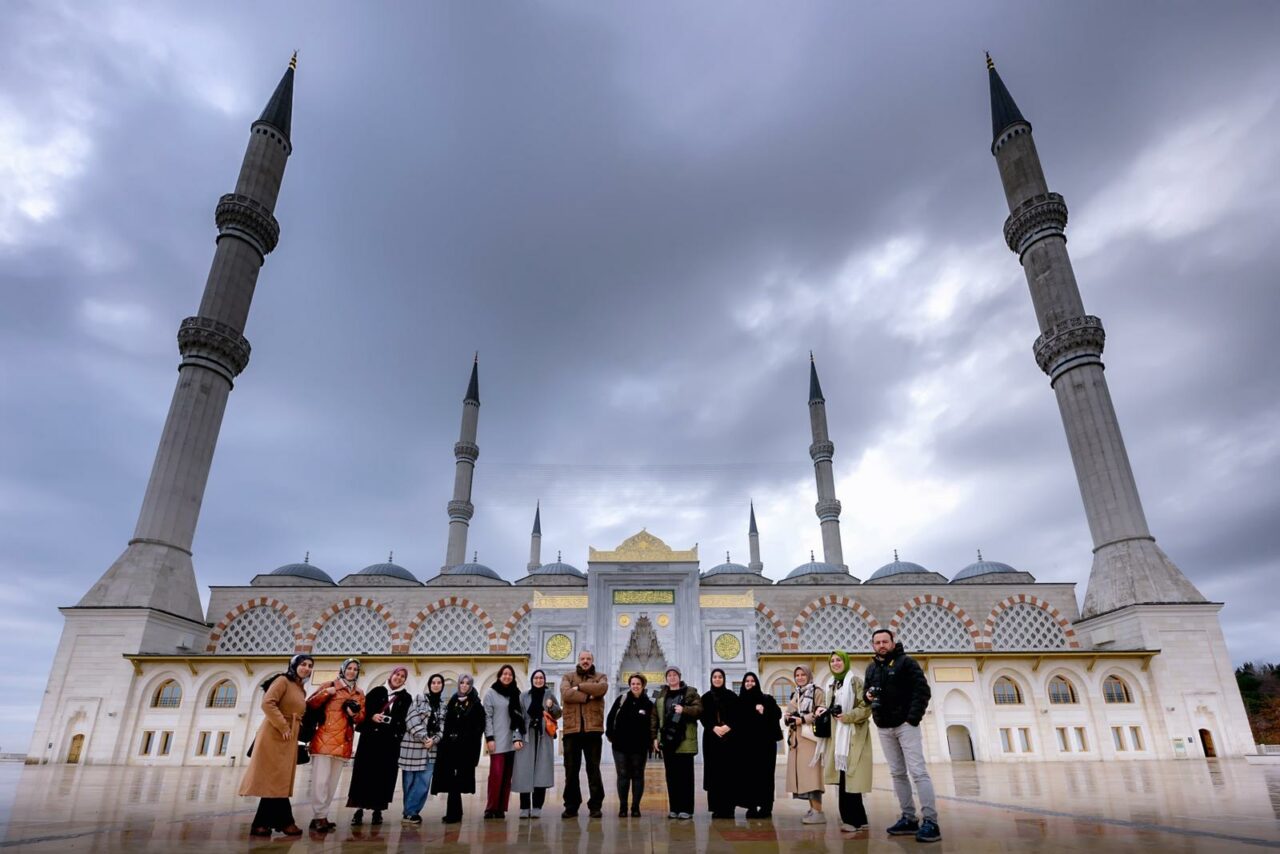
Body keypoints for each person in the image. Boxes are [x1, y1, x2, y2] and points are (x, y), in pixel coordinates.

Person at [865, 628, 940, 843]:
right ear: (873, 645)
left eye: (885, 641)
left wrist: (912, 719)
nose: (881, 645)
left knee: (918, 772)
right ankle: (908, 817)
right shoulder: (871, 668)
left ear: (892, 642)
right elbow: (866, 694)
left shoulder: (906, 663)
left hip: (905, 725)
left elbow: (922, 691)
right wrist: (868, 696)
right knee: (897, 773)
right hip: (884, 727)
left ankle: (931, 821)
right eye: (877, 642)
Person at [239, 653, 312, 837]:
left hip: (288, 736)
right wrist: (282, 725)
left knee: (278, 780)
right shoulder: (282, 681)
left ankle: (265, 824)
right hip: (274, 734)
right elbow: (268, 703)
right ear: (294, 665)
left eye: (310, 665)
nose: (306, 668)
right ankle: (285, 823)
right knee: (276, 779)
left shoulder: (299, 688)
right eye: (303, 664)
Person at [347, 665, 412, 825]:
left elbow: (405, 720)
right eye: (397, 674)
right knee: (364, 774)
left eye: (403, 676)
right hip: (370, 741)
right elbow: (362, 713)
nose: (399, 678)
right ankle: (359, 810)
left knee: (383, 776)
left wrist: (395, 727)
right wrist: (372, 717)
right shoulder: (376, 691)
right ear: (391, 675)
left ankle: (378, 810)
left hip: (389, 743)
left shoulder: (406, 697)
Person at [306, 657, 366, 833]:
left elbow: (361, 718)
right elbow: (310, 704)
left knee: (332, 783)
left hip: (343, 741)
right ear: (343, 669)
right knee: (320, 781)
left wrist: (353, 714)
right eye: (350, 668)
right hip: (325, 739)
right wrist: (327, 693)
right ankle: (318, 816)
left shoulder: (359, 693)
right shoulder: (329, 685)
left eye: (355, 669)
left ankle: (322, 815)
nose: (352, 671)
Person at [821, 650, 871, 834]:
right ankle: (860, 818)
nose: (835, 663)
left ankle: (852, 820)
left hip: (854, 735)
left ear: (846, 662)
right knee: (845, 778)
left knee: (851, 778)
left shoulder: (855, 681)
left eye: (838, 660)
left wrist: (847, 716)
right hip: (838, 737)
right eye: (832, 661)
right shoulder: (832, 684)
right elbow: (830, 708)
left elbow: (865, 708)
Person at [559, 649, 608, 818]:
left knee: (593, 769)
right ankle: (571, 806)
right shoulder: (567, 677)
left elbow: (601, 689)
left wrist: (579, 687)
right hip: (572, 730)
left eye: (588, 658)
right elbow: (566, 694)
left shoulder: (600, 676)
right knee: (571, 770)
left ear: (592, 660)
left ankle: (595, 806)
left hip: (592, 730)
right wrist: (587, 696)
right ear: (578, 660)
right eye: (582, 658)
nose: (585, 661)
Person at [433, 673, 486, 824]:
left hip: (465, 749)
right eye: (462, 683)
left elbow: (479, 726)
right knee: (451, 781)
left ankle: (454, 813)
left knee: (458, 781)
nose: (464, 685)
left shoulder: (475, 704)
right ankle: (454, 812)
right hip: (450, 748)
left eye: (467, 683)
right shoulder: (454, 701)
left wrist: (467, 738)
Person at [650, 666, 701, 820]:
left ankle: (687, 809)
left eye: (674, 675)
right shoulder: (661, 695)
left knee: (685, 777)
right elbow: (654, 717)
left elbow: (699, 710)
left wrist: (683, 709)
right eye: (669, 675)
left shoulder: (690, 692)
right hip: (668, 740)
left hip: (684, 740)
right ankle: (674, 808)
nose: (672, 677)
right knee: (672, 777)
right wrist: (655, 737)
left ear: (679, 676)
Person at [399, 673, 446, 826]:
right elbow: (411, 719)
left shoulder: (443, 706)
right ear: (429, 684)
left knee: (424, 783)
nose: (436, 685)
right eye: (433, 682)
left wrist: (435, 739)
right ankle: (409, 812)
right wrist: (425, 737)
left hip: (431, 750)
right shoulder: (419, 699)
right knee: (409, 783)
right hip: (412, 747)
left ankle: (411, 812)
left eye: (439, 683)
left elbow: (443, 728)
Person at [513, 668, 561, 818]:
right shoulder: (524, 696)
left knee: (541, 772)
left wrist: (551, 706)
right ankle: (524, 807)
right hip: (527, 736)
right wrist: (516, 737)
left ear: (544, 680)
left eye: (541, 678)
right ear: (532, 680)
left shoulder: (549, 695)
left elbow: (558, 713)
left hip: (543, 737)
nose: (539, 680)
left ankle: (538, 807)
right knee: (524, 772)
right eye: (536, 678)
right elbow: (518, 717)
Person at [605, 673, 653, 817]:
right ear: (629, 685)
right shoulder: (622, 699)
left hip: (639, 747)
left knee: (638, 775)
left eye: (638, 684)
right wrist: (610, 735)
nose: (635, 686)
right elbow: (611, 717)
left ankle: (635, 807)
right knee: (623, 775)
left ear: (643, 686)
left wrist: (651, 741)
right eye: (633, 684)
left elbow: (653, 724)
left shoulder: (648, 704)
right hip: (620, 745)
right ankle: (623, 807)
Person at [735, 671, 782, 818]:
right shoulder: (739, 702)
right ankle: (752, 806)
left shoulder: (766, 699)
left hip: (765, 746)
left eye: (752, 681)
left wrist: (764, 710)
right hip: (747, 747)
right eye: (747, 681)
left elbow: (778, 714)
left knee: (766, 776)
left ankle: (767, 807)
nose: (749, 683)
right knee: (749, 776)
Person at [783, 664, 825, 825]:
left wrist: (803, 719)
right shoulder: (797, 693)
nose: (800, 677)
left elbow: (821, 712)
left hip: (810, 739)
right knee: (804, 777)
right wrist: (788, 718)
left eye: (803, 675)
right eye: (797, 675)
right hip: (797, 739)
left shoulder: (816, 692)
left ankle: (818, 811)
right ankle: (813, 809)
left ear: (808, 675)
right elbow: (789, 711)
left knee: (812, 776)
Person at [482, 664, 525, 819]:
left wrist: (518, 738)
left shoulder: (516, 694)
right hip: (498, 741)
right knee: (496, 775)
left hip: (512, 742)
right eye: (504, 674)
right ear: (499, 675)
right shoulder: (491, 693)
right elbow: (487, 717)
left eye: (510, 674)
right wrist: (490, 738)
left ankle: (501, 808)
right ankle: (491, 807)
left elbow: (520, 719)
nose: (507, 676)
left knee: (507, 777)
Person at [700, 667, 740, 819]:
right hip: (712, 740)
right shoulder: (706, 698)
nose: (717, 679)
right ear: (711, 679)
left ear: (723, 679)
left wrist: (728, 726)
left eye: (720, 677)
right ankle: (716, 808)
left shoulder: (731, 696)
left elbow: (737, 715)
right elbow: (703, 717)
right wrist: (713, 727)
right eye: (714, 677)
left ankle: (729, 808)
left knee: (729, 774)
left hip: (730, 740)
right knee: (714, 773)